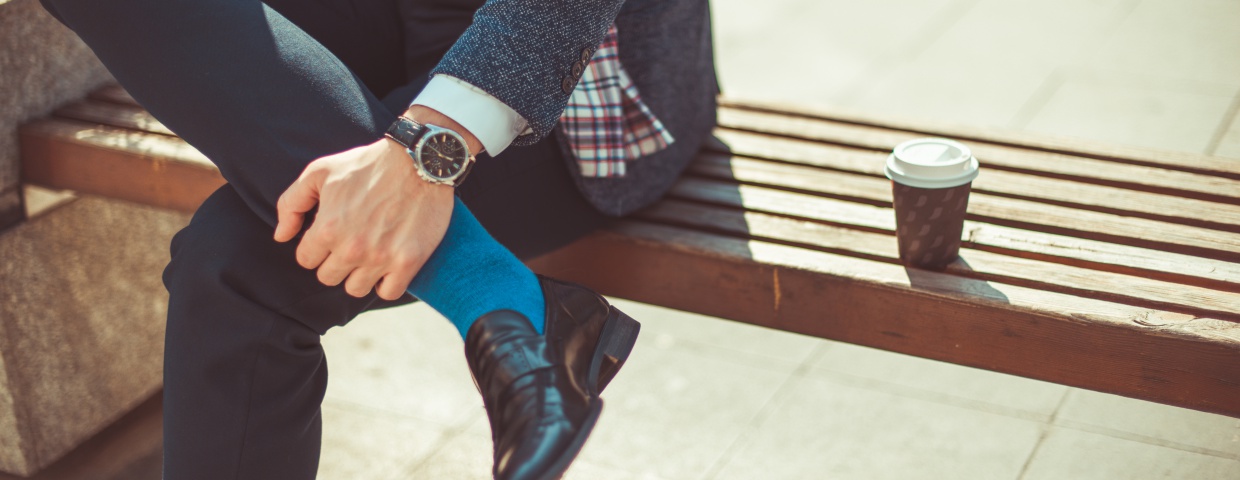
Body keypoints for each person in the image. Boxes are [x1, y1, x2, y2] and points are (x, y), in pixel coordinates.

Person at [38, 0, 717, 478]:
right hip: (366, 20)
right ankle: (495, 298)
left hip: (573, 77)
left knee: (237, 266)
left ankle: (504, 299)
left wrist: (427, 148)